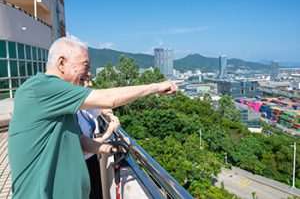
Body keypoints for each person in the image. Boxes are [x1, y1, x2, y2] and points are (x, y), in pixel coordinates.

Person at [8, 37, 181, 199]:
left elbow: (80, 141)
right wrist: (156, 86)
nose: (89, 73)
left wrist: (107, 148)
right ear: (62, 63)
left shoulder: (61, 104)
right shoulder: (41, 87)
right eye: (86, 65)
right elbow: (108, 100)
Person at [77, 78, 117, 199]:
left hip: (92, 158)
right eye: (86, 81)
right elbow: (84, 145)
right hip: (82, 164)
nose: (91, 84)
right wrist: (107, 134)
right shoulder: (74, 114)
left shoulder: (84, 108)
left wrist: (111, 115)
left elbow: (103, 108)